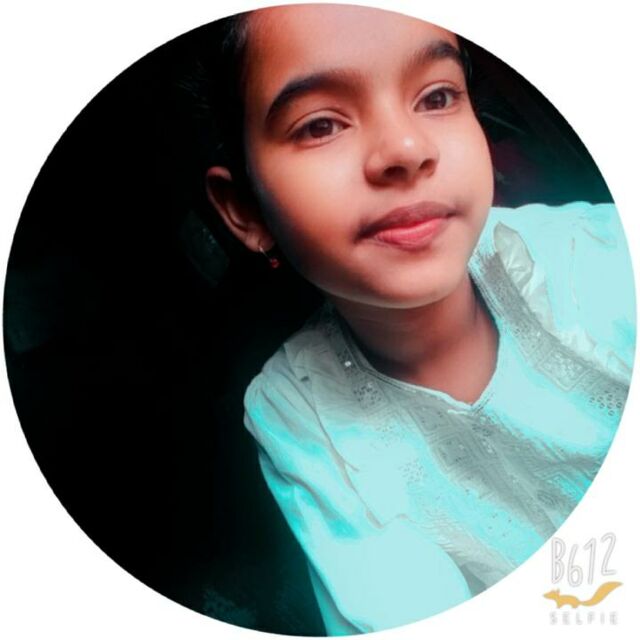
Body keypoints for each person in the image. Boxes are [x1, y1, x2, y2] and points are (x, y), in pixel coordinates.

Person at [204, 4, 635, 634]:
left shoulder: (602, 253)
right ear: (245, 209)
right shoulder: (293, 411)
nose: (406, 150)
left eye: (437, 97)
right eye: (321, 125)